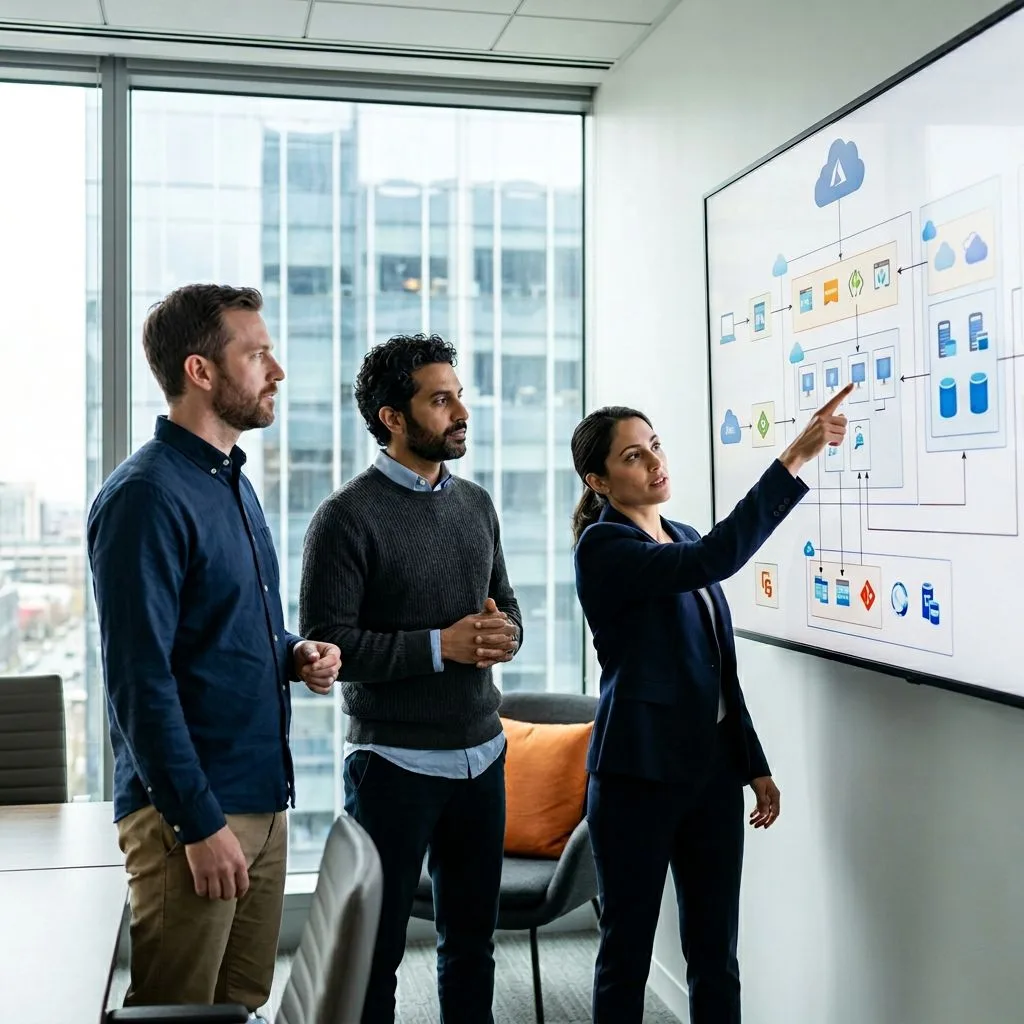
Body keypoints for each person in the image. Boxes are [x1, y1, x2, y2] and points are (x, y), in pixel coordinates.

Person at [87, 284, 341, 1012]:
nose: (277, 371)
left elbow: (222, 626)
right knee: (179, 1010)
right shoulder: (145, 496)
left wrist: (294, 653)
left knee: (238, 1004)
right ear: (201, 371)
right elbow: (139, 682)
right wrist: (198, 823)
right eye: (256, 353)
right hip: (192, 816)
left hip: (261, 799)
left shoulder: (231, 481)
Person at [571, 384, 853, 1024]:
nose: (654, 462)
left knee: (715, 954)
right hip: (636, 776)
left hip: (711, 775)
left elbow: (720, 673)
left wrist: (751, 763)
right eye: (634, 457)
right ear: (600, 480)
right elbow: (719, 558)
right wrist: (795, 457)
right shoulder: (604, 548)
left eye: (655, 446)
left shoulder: (681, 533)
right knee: (627, 955)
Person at [299, 333, 522, 1024]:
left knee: (472, 948)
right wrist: (442, 646)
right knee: (376, 952)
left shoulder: (477, 503)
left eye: (458, 395)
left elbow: (506, 609)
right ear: (392, 417)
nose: (460, 411)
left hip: (483, 757)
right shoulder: (344, 517)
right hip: (392, 764)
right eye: (440, 398)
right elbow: (332, 648)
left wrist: (505, 635)